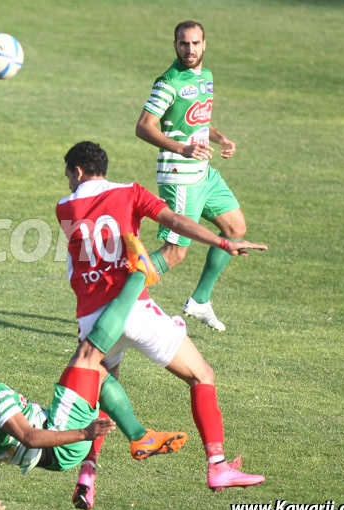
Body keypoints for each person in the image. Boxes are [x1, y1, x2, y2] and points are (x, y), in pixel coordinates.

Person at [56, 141, 266, 501]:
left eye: (67, 175)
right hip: (132, 308)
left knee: (106, 392)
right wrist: (221, 241)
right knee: (202, 375)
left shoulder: (64, 206)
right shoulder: (130, 192)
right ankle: (217, 466)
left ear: (77, 171)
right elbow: (176, 222)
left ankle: (88, 475)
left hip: (91, 317)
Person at [135, 20, 244, 331]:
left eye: (195, 43)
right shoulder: (167, 82)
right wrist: (181, 149)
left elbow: (199, 120)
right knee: (175, 253)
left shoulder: (206, 77)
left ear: (204, 44)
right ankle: (116, 297)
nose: (190, 49)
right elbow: (144, 126)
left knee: (235, 228)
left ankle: (199, 301)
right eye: (184, 43)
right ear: (175, 46)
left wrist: (220, 138)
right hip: (179, 176)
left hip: (204, 173)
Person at [0, 338, 116, 510]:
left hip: (51, 458)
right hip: (61, 441)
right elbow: (29, 437)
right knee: (90, 359)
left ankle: (90, 462)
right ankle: (137, 438)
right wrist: (84, 433)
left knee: (98, 374)